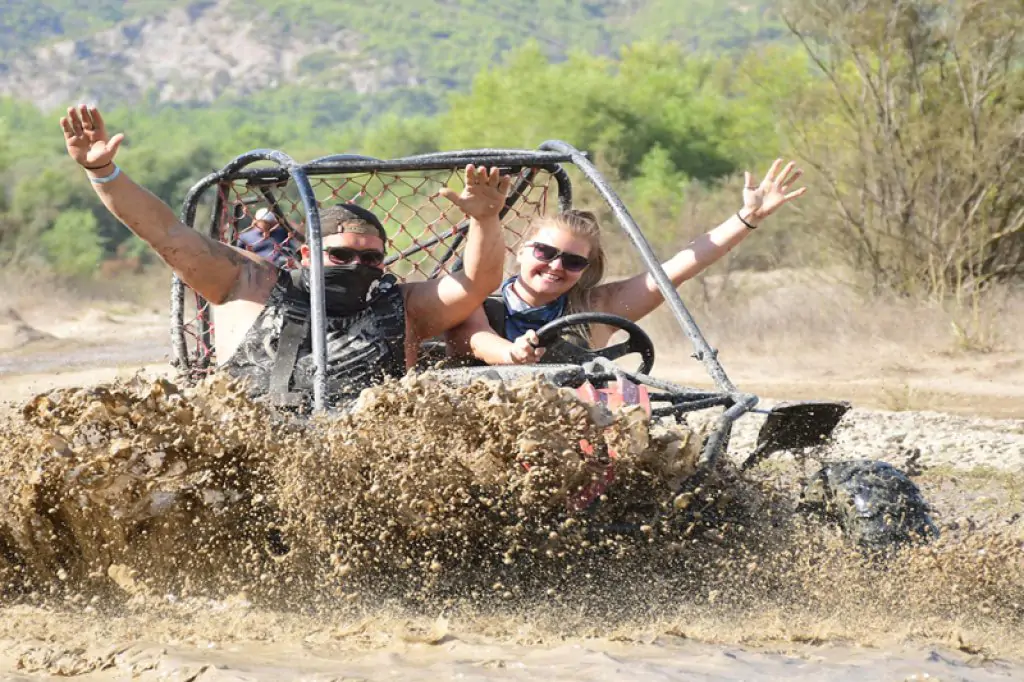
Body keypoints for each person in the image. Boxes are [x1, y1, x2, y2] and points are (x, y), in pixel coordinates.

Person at [61, 103, 511, 407]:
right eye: (341, 256)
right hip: (263, 450)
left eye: (371, 259)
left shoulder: (405, 306)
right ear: (307, 254)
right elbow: (165, 232)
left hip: (366, 458)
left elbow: (476, 282)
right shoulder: (248, 282)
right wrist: (104, 172)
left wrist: (486, 219)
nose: (358, 267)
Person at [446, 159, 807, 365]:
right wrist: (514, 353)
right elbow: (476, 339)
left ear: (586, 270)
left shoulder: (596, 306)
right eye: (546, 253)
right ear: (523, 250)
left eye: (573, 262)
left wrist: (746, 219)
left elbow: (680, 267)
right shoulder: (478, 300)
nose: (556, 266)